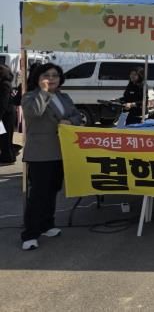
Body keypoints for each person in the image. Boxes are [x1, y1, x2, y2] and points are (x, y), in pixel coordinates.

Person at [21, 63, 81, 251]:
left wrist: (69, 121)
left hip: (61, 151)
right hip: (40, 153)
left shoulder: (64, 97)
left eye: (55, 75)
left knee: (53, 189)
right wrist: (44, 91)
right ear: (38, 78)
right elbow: (35, 112)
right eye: (46, 75)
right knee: (38, 194)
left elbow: (77, 116)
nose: (51, 78)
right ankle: (30, 233)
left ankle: (47, 224)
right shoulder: (30, 97)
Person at [0, 64, 17, 164]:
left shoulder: (4, 84)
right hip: (5, 114)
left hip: (6, 115)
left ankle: (8, 157)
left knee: (5, 138)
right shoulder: (5, 83)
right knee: (4, 137)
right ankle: (8, 156)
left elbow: (3, 103)